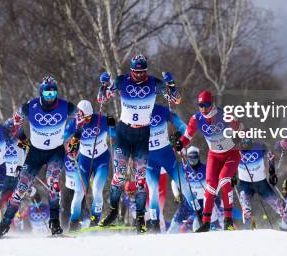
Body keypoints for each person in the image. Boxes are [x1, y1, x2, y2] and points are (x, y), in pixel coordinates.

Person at [97, 54, 181, 233]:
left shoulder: (154, 83)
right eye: (136, 72)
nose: (140, 76)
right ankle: (112, 211)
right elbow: (102, 99)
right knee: (119, 175)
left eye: (143, 72)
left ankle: (141, 218)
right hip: (124, 132)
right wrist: (103, 85)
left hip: (143, 133)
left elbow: (176, 100)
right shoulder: (121, 81)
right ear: (131, 71)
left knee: (140, 180)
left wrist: (171, 85)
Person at [0, 75, 77, 238]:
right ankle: (5, 224)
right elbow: (15, 122)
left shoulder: (65, 106)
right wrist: (22, 138)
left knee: (53, 184)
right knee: (21, 188)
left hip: (55, 152)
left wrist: (74, 139)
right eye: (47, 94)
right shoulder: (30, 106)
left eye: (53, 94)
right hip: (35, 153)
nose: (50, 98)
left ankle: (55, 223)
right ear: (41, 93)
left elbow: (83, 118)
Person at [172, 90, 241, 232]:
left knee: (224, 180)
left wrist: (239, 135)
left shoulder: (224, 114)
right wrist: (179, 144)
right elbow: (187, 137)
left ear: (212, 103)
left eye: (207, 105)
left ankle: (228, 220)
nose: (203, 108)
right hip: (214, 156)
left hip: (231, 154)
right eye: (201, 105)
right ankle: (206, 223)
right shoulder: (196, 119)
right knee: (210, 188)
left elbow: (241, 129)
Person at [146, 103, 196, 232]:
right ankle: (154, 224)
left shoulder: (162, 110)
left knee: (184, 185)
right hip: (149, 160)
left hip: (166, 155)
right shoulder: (133, 115)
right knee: (153, 192)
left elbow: (185, 128)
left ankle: (200, 215)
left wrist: (179, 137)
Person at [64, 100, 114, 230]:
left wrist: (113, 125)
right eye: (84, 117)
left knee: (97, 189)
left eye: (89, 117)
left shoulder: (101, 120)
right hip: (84, 161)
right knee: (79, 191)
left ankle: (95, 219)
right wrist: (69, 147)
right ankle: (74, 222)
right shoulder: (74, 123)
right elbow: (62, 139)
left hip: (101, 160)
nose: (87, 120)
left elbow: (116, 134)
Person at [237, 141, 287, 230]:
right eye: (242, 140)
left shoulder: (259, 146)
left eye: (247, 139)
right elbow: (228, 161)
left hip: (261, 184)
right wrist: (231, 175)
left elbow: (270, 156)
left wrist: (272, 173)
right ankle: (250, 231)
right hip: (245, 185)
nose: (244, 143)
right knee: (246, 210)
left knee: (280, 207)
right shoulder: (236, 148)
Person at [168, 146, 210, 233]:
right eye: (190, 158)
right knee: (174, 225)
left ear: (198, 157)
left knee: (196, 226)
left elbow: (213, 183)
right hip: (186, 202)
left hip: (200, 203)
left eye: (195, 157)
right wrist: (176, 195)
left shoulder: (205, 169)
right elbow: (174, 182)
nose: (193, 160)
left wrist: (211, 195)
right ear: (187, 157)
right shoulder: (183, 169)